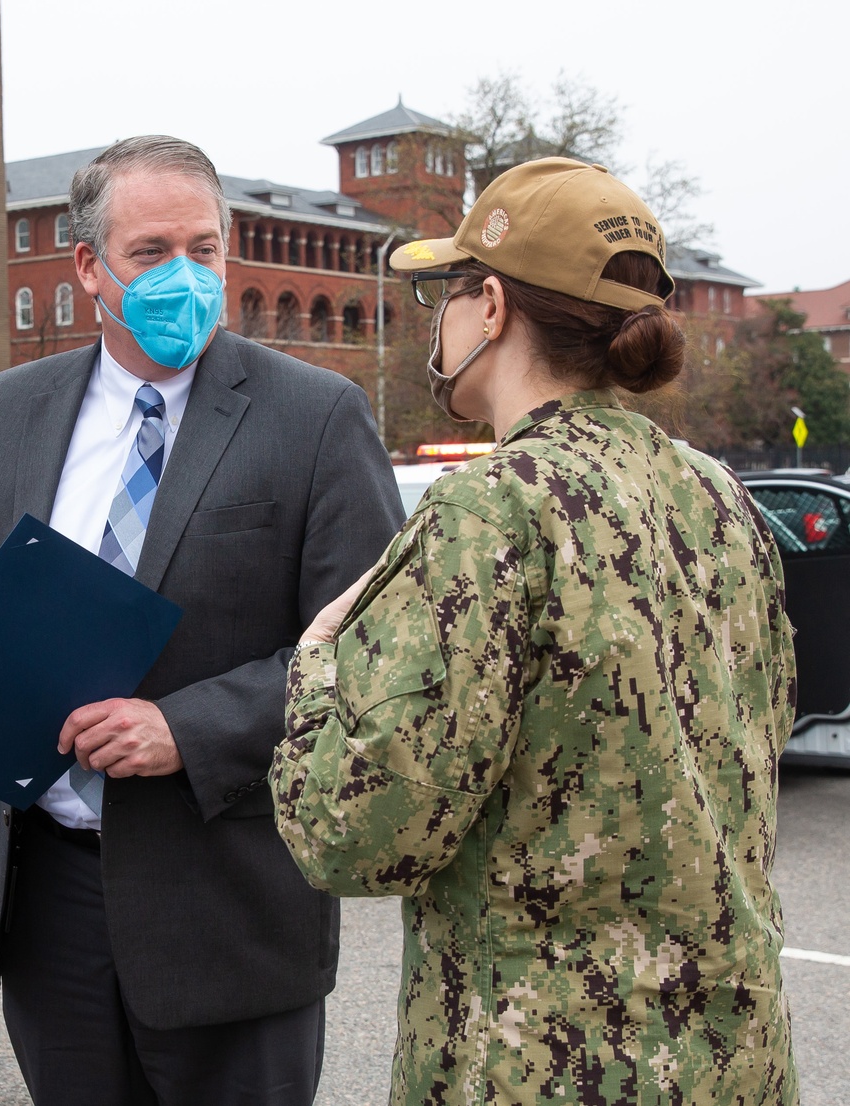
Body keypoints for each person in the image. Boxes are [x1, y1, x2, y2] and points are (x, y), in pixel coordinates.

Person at [271, 158, 800, 1105]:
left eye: (445, 292)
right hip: (733, 1061)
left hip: (539, 1067)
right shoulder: (716, 493)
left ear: (492, 308)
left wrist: (317, 667)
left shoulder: (491, 507)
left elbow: (355, 836)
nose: (439, 317)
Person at [0, 135, 405, 1106]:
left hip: (230, 902)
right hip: (49, 899)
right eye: (150, 252)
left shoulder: (317, 416)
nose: (184, 275)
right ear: (88, 266)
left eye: (205, 248)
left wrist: (191, 727)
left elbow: (375, 651)